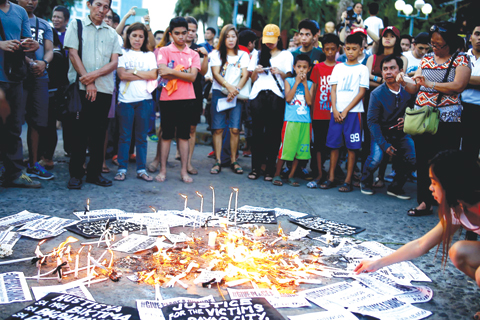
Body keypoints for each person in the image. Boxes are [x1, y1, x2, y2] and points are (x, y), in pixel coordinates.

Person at [354, 150, 480, 320]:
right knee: (458, 252)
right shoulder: (456, 209)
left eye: (434, 182)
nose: (430, 188)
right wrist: (377, 263)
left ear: (451, 184)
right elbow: (422, 244)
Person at [398, 22, 471, 216]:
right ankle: (424, 202)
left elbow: (458, 85)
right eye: (433, 43)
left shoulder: (461, 59)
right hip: (423, 117)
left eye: (440, 44)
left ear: (451, 42)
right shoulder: (427, 58)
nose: (435, 48)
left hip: (447, 119)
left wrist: (431, 83)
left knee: (447, 162)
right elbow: (415, 87)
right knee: (423, 160)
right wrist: (404, 81)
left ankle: (449, 202)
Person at [64, 0, 123, 190]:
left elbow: (114, 63)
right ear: (89, 4)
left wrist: (94, 78)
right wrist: (88, 81)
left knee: (99, 134)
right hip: (81, 88)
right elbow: (73, 54)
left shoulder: (112, 33)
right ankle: (75, 174)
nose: (101, 10)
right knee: (79, 132)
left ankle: (94, 173)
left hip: (104, 89)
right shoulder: (77, 25)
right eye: (98, 4)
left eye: (105, 6)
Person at [360, 55, 416, 199]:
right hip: (381, 133)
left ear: (401, 71)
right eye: (385, 69)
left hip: (402, 133)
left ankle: (395, 187)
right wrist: (384, 145)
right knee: (375, 159)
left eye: (392, 68)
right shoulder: (377, 94)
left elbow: (415, 110)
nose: (388, 72)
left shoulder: (408, 91)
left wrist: (406, 120)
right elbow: (372, 122)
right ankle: (365, 181)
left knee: (413, 158)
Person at [319, 33, 369, 192]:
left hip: (353, 113)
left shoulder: (362, 69)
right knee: (334, 146)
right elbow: (333, 90)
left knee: (352, 148)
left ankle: (348, 181)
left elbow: (362, 92)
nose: (350, 52)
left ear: (361, 50)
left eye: (354, 49)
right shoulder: (338, 67)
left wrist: (346, 110)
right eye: (348, 48)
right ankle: (331, 177)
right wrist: (334, 109)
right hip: (336, 112)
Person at [154, 17, 201, 183]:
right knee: (166, 135)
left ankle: (183, 171)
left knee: (184, 136)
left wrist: (172, 71)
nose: (181, 36)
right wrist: (183, 73)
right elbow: (162, 72)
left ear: (188, 33)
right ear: (171, 34)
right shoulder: (164, 51)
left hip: (187, 99)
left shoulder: (194, 54)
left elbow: (193, 77)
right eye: (177, 33)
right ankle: (163, 170)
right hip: (167, 98)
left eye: (184, 33)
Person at [0, 0, 40, 188]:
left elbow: (27, 40)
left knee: (14, 127)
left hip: (14, 76)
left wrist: (32, 44)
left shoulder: (19, 12)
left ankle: (14, 172)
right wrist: (1, 44)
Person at [247, 24, 293, 181]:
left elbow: (290, 77)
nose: (269, 43)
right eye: (267, 40)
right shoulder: (258, 55)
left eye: (272, 40)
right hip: (258, 96)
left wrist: (279, 72)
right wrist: (256, 71)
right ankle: (255, 167)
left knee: (273, 134)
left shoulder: (286, 55)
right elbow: (252, 79)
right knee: (257, 133)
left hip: (276, 96)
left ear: (279, 39)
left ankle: (270, 169)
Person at [114, 23, 157, 182]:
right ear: (128, 36)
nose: (137, 39)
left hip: (144, 101)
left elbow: (153, 75)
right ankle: (121, 169)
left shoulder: (149, 55)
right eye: (134, 36)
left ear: (144, 38)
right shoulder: (123, 53)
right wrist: (143, 74)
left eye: (140, 36)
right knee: (124, 136)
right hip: (125, 101)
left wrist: (134, 71)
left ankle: (141, 169)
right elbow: (122, 75)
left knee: (141, 137)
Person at [16, 0, 54, 181]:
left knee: (38, 121)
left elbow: (49, 49)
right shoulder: (11, 19)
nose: (31, 1)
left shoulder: (44, 24)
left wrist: (43, 63)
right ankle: (11, 165)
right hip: (17, 75)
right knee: (13, 121)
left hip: (40, 76)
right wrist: (29, 62)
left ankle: (33, 163)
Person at [209, 24, 249, 175]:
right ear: (223, 38)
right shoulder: (216, 54)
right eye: (227, 36)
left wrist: (236, 90)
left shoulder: (243, 55)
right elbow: (216, 74)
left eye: (233, 36)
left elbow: (245, 75)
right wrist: (229, 88)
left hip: (236, 95)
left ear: (237, 38)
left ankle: (234, 160)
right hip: (220, 93)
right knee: (218, 128)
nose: (231, 40)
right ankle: (218, 160)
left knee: (235, 129)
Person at [272, 54, 313, 187]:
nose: (302, 70)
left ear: (309, 69)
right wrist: (297, 83)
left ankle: (291, 175)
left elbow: (309, 101)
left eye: (305, 67)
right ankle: (277, 174)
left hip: (305, 122)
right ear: (294, 68)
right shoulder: (289, 81)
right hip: (290, 120)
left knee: (298, 151)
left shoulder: (311, 84)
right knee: (285, 149)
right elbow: (288, 99)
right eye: (299, 67)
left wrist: (305, 85)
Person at [308, 34, 340, 188]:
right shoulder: (318, 67)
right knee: (319, 145)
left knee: (334, 145)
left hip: (335, 113)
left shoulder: (341, 67)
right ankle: (319, 173)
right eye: (327, 49)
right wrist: (311, 110)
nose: (330, 52)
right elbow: (314, 90)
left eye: (333, 49)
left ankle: (332, 175)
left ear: (338, 49)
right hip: (319, 113)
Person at [180, 16, 209, 176]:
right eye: (188, 30)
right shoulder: (174, 47)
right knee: (167, 128)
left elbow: (203, 72)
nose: (190, 33)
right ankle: (159, 160)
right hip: (175, 91)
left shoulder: (199, 50)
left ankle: (188, 163)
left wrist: (205, 57)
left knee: (192, 128)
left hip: (194, 91)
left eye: (193, 31)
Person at [461, 24, 480, 162]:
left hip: (477, 108)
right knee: (453, 145)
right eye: (477, 34)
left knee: (471, 148)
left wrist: (463, 81)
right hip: (460, 105)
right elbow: (453, 79)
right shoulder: (462, 57)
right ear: (470, 37)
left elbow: (459, 81)